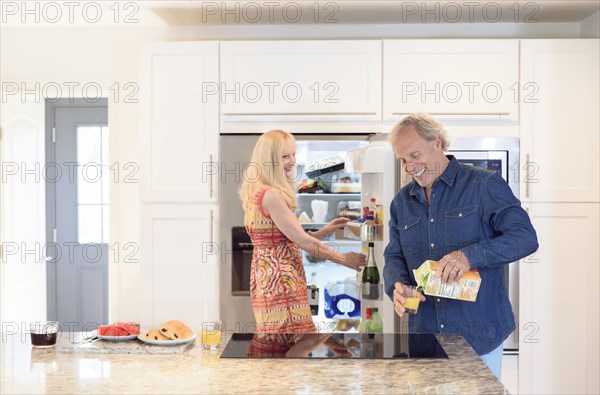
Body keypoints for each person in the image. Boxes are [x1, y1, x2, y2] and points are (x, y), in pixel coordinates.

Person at [383, 113, 538, 379]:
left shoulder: (484, 185)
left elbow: (525, 238)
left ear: (438, 143)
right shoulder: (401, 202)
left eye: (415, 156)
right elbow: (394, 256)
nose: (410, 167)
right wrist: (396, 285)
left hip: (479, 336)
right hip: (425, 341)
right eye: (403, 160)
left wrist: (469, 256)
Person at [239, 129, 366, 334]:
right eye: (284, 156)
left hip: (266, 277)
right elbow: (303, 242)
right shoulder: (272, 195)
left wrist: (323, 231)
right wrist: (344, 259)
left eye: (293, 154)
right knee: (294, 341)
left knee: (279, 342)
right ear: (269, 160)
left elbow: (284, 239)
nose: (292, 161)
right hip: (282, 280)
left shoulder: (256, 190)